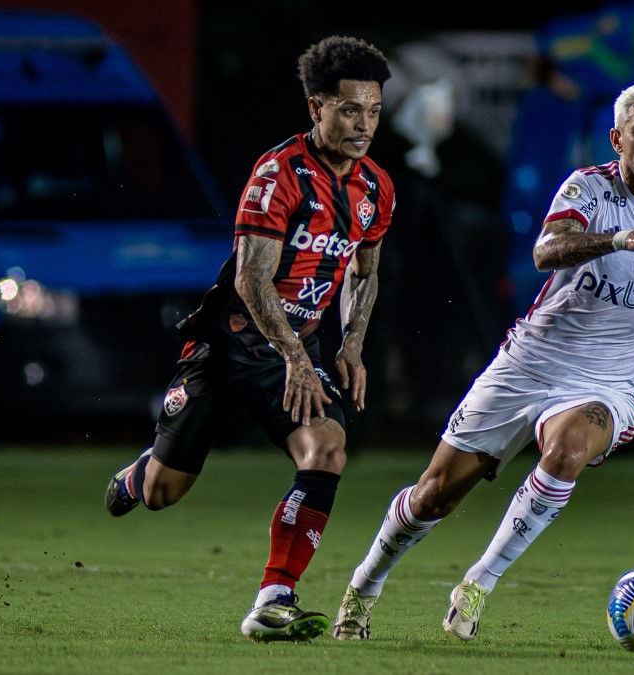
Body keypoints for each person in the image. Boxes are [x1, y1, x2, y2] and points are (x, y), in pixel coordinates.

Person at [332, 80, 634, 642]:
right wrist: (622, 239)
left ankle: (477, 585)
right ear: (618, 138)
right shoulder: (589, 189)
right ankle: (364, 586)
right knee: (433, 495)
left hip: (610, 382)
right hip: (529, 364)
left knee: (567, 450)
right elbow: (546, 250)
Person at [103, 35, 394, 643]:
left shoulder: (376, 189)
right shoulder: (278, 175)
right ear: (316, 108)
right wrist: (292, 355)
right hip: (230, 343)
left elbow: (364, 274)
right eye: (349, 110)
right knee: (163, 493)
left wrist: (349, 348)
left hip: (298, 351)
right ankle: (140, 473)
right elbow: (251, 278)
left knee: (328, 451)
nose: (363, 124)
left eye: (372, 111)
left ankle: (273, 598)